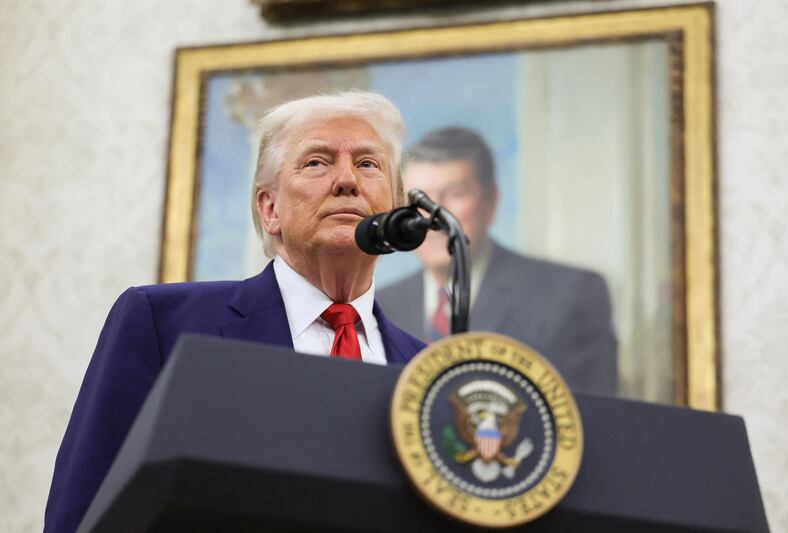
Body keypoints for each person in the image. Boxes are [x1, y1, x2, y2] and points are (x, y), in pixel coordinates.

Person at [44, 92, 426, 532]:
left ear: (398, 207)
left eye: (367, 164)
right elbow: (84, 512)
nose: (346, 181)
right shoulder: (162, 323)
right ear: (269, 209)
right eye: (317, 162)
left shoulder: (425, 372)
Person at [377, 127, 617, 395]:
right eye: (420, 200)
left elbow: (594, 413)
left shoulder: (571, 294)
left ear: (491, 202)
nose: (433, 218)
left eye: (455, 194)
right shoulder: (382, 306)